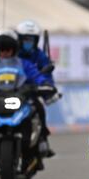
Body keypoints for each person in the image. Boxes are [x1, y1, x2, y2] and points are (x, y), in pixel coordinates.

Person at [0, 28, 56, 170]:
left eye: (8, 50)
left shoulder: (24, 64)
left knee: (38, 106)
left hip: (20, 98)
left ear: (14, 49)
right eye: (1, 50)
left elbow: (36, 76)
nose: (5, 53)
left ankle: (41, 139)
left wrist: (44, 84)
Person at [16, 20, 58, 158]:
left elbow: (46, 75)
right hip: (11, 91)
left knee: (39, 108)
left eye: (31, 39)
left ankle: (42, 140)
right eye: (26, 39)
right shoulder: (12, 54)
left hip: (31, 92)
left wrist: (49, 89)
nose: (28, 42)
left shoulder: (40, 55)